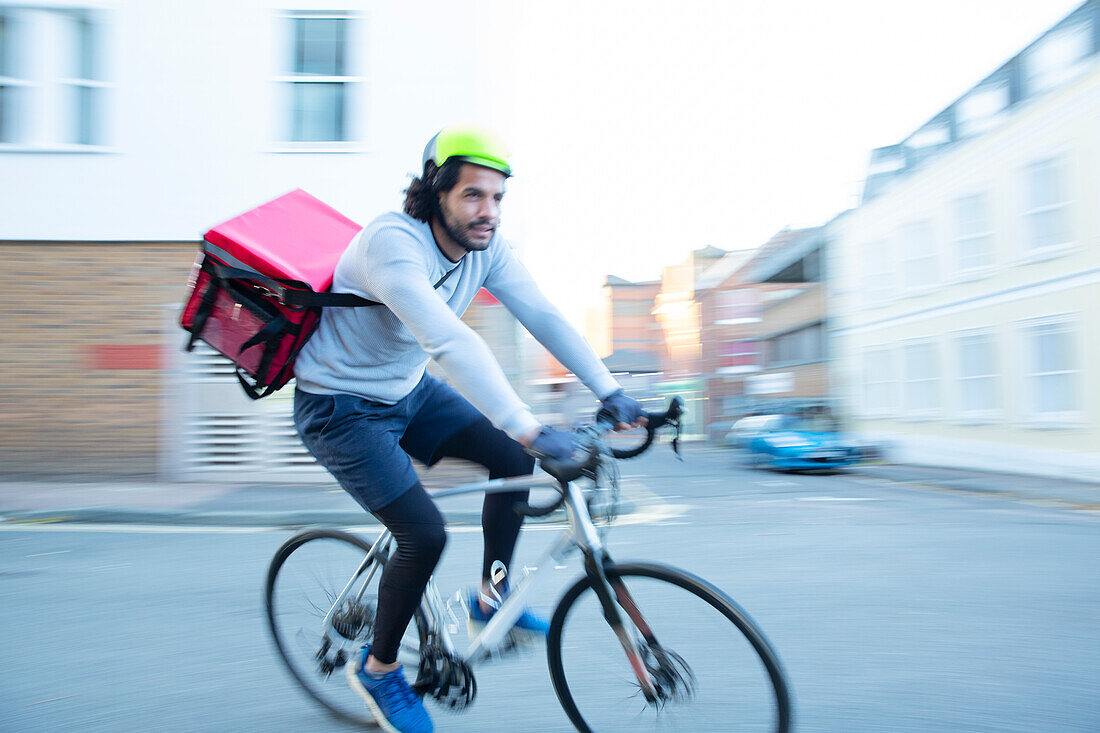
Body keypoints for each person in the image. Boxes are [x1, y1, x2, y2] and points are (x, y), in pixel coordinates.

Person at [292, 124, 645, 733]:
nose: (489, 212)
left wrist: (609, 390)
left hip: (406, 391)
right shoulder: (391, 243)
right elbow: (449, 339)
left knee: (511, 459)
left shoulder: (487, 249)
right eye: (473, 196)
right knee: (425, 535)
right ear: (436, 193)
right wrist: (531, 426)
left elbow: (540, 313)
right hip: (340, 408)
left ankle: (491, 597)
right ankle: (378, 672)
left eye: (498, 197)